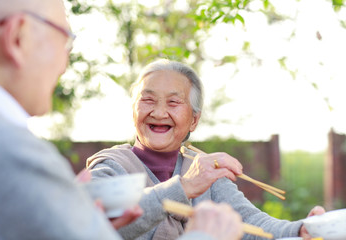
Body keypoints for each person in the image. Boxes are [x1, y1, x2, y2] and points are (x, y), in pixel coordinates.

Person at [0, 0, 245, 239]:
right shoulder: (11, 151)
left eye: (174, 102)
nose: (65, 64)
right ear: (18, 38)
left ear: (194, 120)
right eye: (64, 40)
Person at [86, 59, 326, 240]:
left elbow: (249, 222)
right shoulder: (111, 166)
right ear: (133, 111)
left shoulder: (202, 169)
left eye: (173, 102)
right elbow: (96, 225)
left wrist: (299, 229)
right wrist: (184, 187)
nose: (159, 112)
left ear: (194, 120)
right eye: (147, 100)